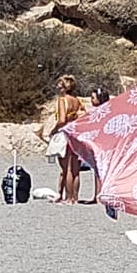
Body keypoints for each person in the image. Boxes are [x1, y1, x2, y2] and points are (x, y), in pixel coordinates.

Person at [43, 75, 88, 203]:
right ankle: (75, 197)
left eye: (59, 85)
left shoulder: (62, 100)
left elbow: (62, 119)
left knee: (66, 168)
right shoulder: (77, 100)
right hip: (75, 133)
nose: (57, 87)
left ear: (64, 88)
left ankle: (68, 198)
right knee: (75, 169)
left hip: (65, 133)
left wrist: (53, 130)